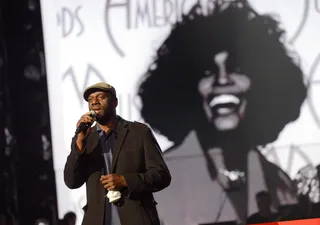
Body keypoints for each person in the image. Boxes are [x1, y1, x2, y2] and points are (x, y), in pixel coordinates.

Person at [137, 0, 306, 224]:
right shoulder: (157, 182)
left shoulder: (279, 182)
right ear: (186, 87)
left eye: (236, 68)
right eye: (207, 71)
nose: (222, 80)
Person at [64, 82, 171, 225]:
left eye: (101, 97)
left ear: (115, 102)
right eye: (90, 100)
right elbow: (71, 182)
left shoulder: (139, 132)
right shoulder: (83, 139)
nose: (95, 102)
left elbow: (162, 175)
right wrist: (79, 144)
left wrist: (126, 181)